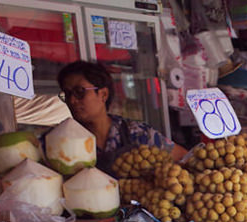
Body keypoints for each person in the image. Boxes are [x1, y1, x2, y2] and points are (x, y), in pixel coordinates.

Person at [56, 61, 186, 175]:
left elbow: (184, 158)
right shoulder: (63, 143)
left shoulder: (137, 133)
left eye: (79, 92)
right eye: (67, 94)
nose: (72, 100)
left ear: (103, 94)